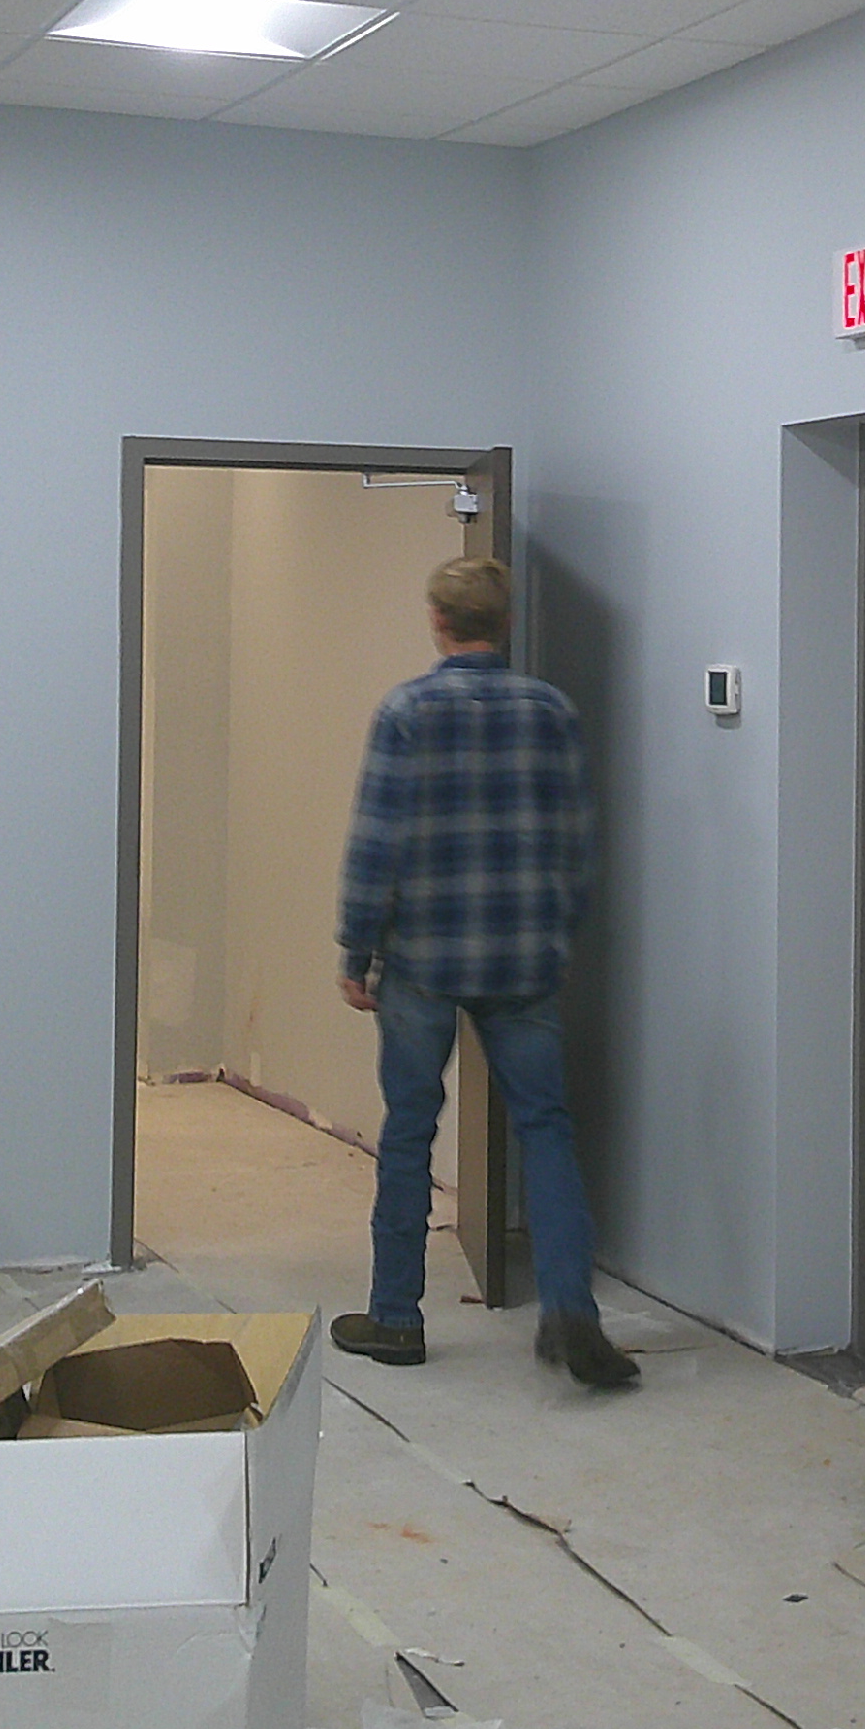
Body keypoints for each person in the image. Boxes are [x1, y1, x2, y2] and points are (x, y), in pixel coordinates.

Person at [328, 555, 637, 1389]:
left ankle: (396, 1316)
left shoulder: (406, 711)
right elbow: (577, 842)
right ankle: (571, 1310)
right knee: (546, 1129)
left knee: (409, 1130)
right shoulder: (551, 711)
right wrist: (558, 936)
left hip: (423, 960)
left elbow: (375, 843)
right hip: (523, 959)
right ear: (507, 623)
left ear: (438, 621)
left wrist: (356, 950)